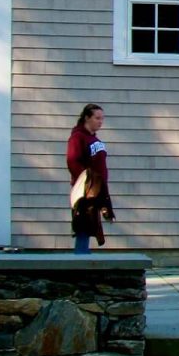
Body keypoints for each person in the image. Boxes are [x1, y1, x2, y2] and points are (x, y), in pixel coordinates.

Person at [66, 103, 115, 254]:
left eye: (102, 118)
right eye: (97, 118)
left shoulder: (94, 139)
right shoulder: (78, 137)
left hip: (97, 188)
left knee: (92, 225)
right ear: (87, 118)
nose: (100, 121)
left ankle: (83, 254)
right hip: (85, 191)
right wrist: (86, 182)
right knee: (83, 225)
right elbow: (72, 161)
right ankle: (80, 258)